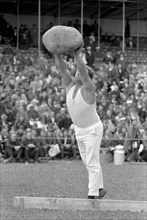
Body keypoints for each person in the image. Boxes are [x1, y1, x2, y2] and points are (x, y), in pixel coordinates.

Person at [54, 45, 107, 199]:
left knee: (91, 162)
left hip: (92, 129)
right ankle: (100, 187)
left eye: (79, 72)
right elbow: (63, 69)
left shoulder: (89, 88)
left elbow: (83, 70)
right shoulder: (70, 85)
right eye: (76, 71)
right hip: (79, 130)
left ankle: (93, 195)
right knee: (89, 162)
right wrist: (57, 54)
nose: (76, 72)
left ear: (86, 77)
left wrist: (77, 54)